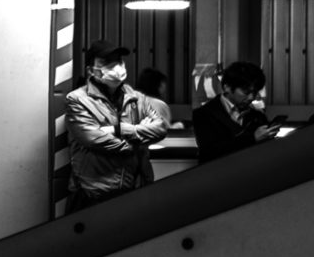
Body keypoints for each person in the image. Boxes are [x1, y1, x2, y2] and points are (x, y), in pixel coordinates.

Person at [63, 44, 167, 211]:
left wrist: (120, 130)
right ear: (91, 70)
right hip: (93, 195)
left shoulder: (137, 98)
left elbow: (161, 128)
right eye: (107, 62)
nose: (116, 66)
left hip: (134, 190)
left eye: (118, 61)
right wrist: (138, 141)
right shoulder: (77, 99)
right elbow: (94, 139)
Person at [192, 60, 283, 164]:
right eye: (246, 92)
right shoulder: (204, 114)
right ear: (227, 87)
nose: (251, 97)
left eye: (254, 92)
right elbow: (210, 153)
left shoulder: (256, 115)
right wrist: (252, 138)